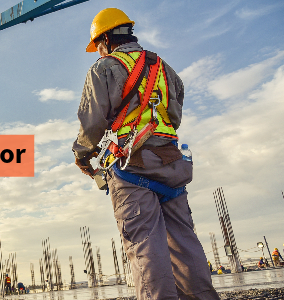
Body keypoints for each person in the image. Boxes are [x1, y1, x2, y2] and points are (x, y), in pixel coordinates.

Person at [72, 8, 220, 300]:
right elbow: (174, 114)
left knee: (145, 247)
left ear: (105, 38)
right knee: (185, 244)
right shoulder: (163, 67)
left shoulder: (104, 67)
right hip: (171, 163)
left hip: (131, 167)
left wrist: (82, 155)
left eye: (97, 46)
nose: (97, 52)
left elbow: (92, 121)